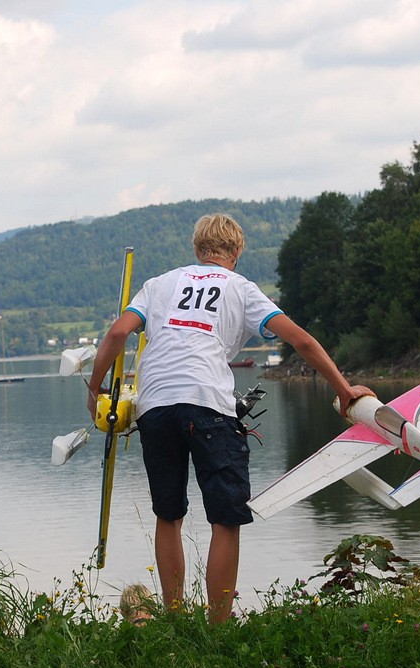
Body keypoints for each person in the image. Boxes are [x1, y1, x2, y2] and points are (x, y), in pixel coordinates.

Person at [86, 213, 375, 623]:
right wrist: (344, 391)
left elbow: (117, 334)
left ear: (197, 249)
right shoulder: (241, 288)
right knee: (224, 519)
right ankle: (218, 629)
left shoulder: (159, 284)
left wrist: (95, 390)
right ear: (237, 250)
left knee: (168, 515)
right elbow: (301, 340)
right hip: (208, 405)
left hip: (155, 407)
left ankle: (175, 618)